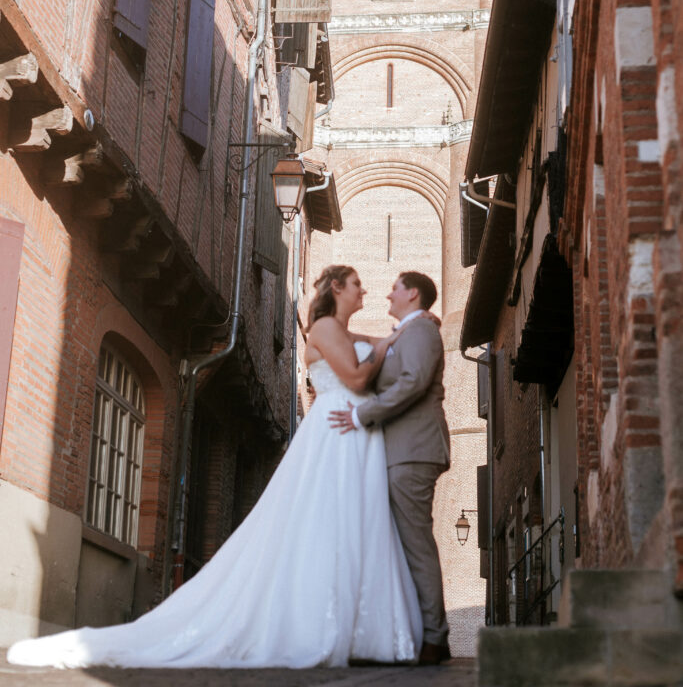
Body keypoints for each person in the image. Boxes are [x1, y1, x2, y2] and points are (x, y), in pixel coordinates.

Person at [8, 265, 422, 670]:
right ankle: (322, 625)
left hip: (355, 432)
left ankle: (348, 624)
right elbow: (354, 377)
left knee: (349, 522)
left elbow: (362, 342)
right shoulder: (327, 328)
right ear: (337, 287)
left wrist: (401, 332)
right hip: (338, 429)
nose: (365, 293)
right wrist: (385, 349)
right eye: (357, 286)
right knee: (329, 521)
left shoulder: (341, 331)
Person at [329, 271, 451, 666]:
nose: (386, 293)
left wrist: (364, 413)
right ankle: (409, 632)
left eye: (395, 288)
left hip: (413, 450)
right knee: (395, 545)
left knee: (415, 543)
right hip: (396, 450)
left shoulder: (421, 333)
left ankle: (435, 637)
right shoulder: (408, 331)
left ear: (412, 294)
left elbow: (414, 382)